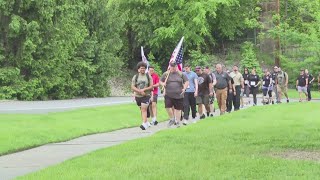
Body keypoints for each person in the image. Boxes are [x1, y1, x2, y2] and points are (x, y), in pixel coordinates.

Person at [160, 62, 189, 127]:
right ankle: (172, 118)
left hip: (179, 94)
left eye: (174, 66)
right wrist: (162, 84)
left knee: (178, 109)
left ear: (176, 66)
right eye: (171, 66)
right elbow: (160, 81)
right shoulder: (166, 74)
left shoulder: (181, 74)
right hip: (168, 94)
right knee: (167, 107)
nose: (172, 68)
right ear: (170, 66)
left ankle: (177, 122)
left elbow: (187, 81)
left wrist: (184, 88)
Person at [131, 62, 154, 130]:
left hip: (146, 95)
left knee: (143, 109)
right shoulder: (136, 77)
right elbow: (132, 86)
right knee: (142, 109)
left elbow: (151, 86)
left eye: (144, 68)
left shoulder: (148, 76)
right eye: (141, 68)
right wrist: (140, 91)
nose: (142, 69)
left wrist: (144, 89)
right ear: (138, 69)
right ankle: (146, 122)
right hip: (138, 96)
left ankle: (144, 124)